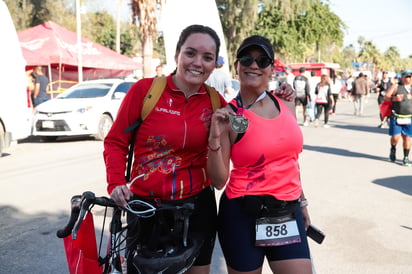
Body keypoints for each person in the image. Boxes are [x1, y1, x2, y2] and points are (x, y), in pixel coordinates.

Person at [103, 24, 227, 274]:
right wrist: (115, 182)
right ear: (177, 55)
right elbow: (116, 142)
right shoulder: (145, 91)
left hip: (197, 208)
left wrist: (280, 98)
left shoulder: (216, 102)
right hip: (148, 207)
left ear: (214, 63)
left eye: (207, 57)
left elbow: (252, 121)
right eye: (190, 53)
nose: (198, 63)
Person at [207, 35, 312, 274]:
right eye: (247, 59)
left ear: (272, 69)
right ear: (237, 67)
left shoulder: (285, 103)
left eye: (262, 61)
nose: (254, 65)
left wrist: (302, 202)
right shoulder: (229, 115)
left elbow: (290, 162)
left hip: (287, 210)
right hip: (242, 214)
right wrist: (214, 139)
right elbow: (218, 181)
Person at [384, 69, 412, 167]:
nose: (409, 78)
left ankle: (406, 157)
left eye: (411, 76)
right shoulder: (396, 87)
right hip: (396, 117)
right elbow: (386, 96)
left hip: (409, 118)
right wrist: (393, 98)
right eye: (407, 76)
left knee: (407, 138)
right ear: (402, 77)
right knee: (395, 138)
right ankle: (393, 148)